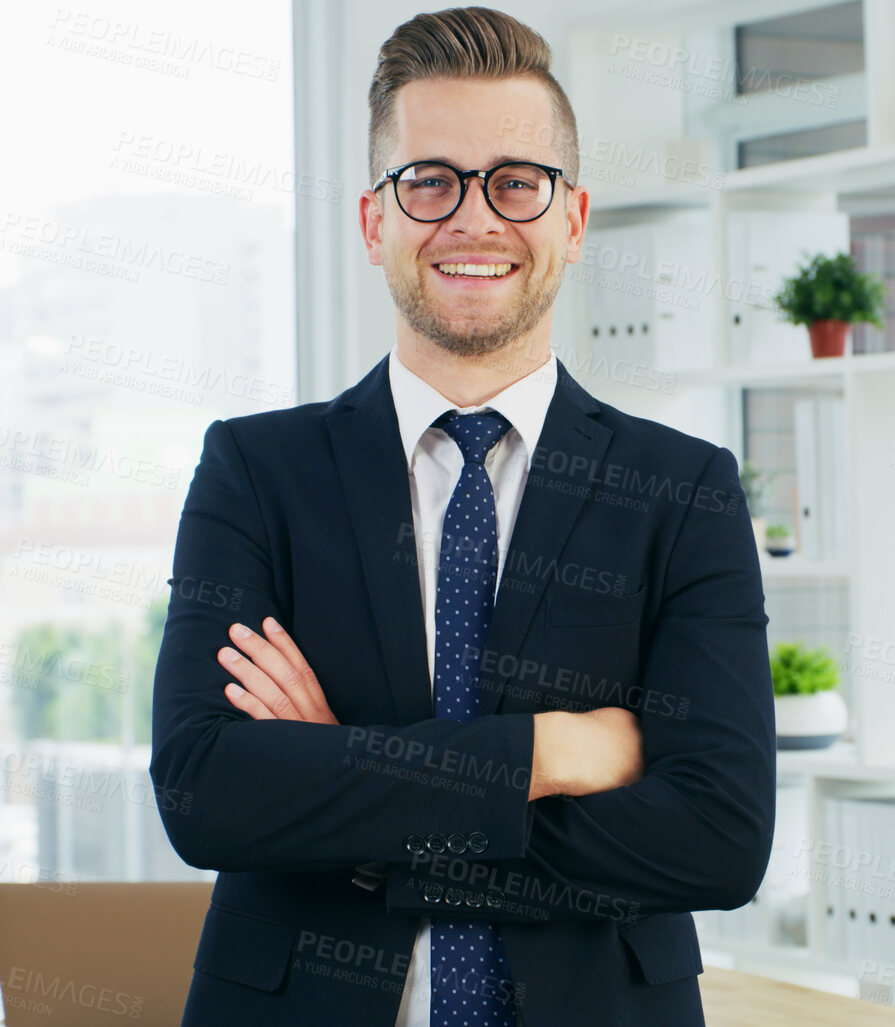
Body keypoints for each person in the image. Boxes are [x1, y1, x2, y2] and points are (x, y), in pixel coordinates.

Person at [149, 8, 775, 1024]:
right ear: (374, 223)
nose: (474, 220)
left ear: (573, 221)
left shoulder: (683, 490)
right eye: (429, 181)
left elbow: (720, 838)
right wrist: (548, 755)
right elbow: (205, 790)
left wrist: (351, 786)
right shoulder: (256, 472)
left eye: (516, 182)